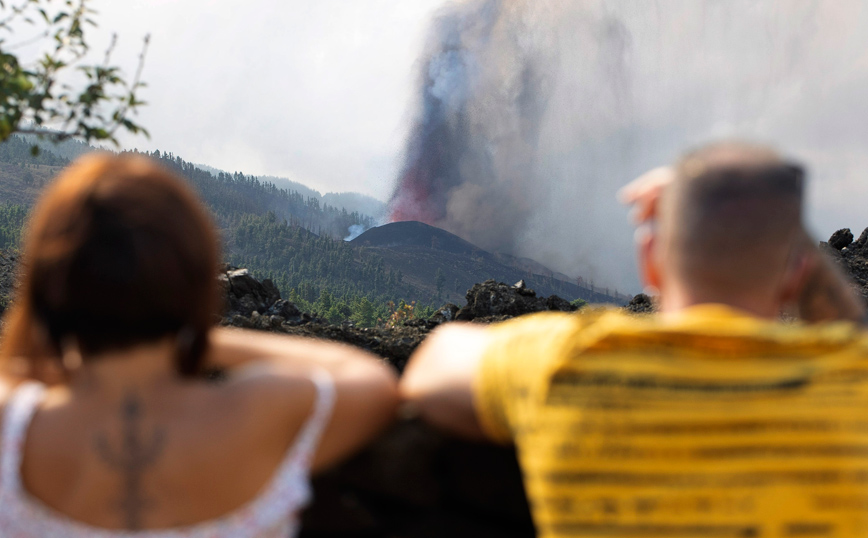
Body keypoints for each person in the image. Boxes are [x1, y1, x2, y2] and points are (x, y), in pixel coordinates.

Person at [401, 142, 868, 538]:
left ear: (650, 261)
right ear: (799, 272)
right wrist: (779, 235)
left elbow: (430, 368)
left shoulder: (571, 359)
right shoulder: (854, 384)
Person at [0, 153, 399, 537]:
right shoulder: (261, 411)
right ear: (194, 279)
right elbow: (365, 376)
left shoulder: (12, 424)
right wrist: (201, 337)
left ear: (49, 283)